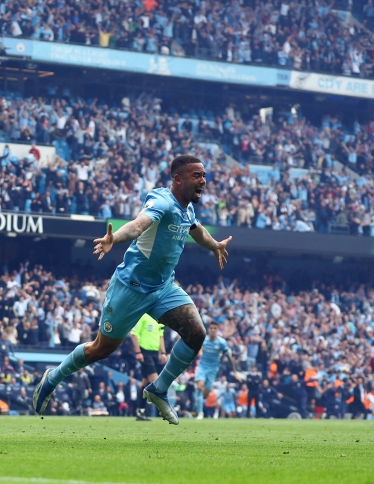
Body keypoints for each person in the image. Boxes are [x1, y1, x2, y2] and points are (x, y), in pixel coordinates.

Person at [32, 155, 232, 425]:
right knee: (100, 349)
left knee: (196, 333)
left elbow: (195, 230)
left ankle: (158, 389)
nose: (203, 181)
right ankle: (52, 378)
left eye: (204, 175)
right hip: (131, 288)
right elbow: (139, 224)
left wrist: (215, 245)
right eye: (197, 175)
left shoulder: (187, 209)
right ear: (178, 178)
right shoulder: (161, 201)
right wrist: (114, 239)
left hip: (163, 287)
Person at [129, 313, 166, 421]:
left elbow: (161, 336)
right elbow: (134, 334)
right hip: (145, 352)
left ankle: (140, 411)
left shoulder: (159, 317)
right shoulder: (142, 316)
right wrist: (138, 352)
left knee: (145, 382)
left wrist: (163, 352)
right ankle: (165, 409)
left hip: (155, 353)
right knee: (155, 381)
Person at [194, 322, 234, 420]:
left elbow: (229, 356)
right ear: (208, 329)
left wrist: (235, 371)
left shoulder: (221, 342)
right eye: (211, 328)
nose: (213, 330)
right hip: (202, 367)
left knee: (205, 394)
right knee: (199, 387)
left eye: (215, 328)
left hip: (213, 369)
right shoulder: (204, 339)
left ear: (217, 330)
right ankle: (200, 413)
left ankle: (197, 401)